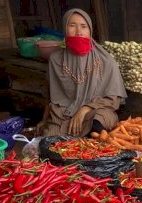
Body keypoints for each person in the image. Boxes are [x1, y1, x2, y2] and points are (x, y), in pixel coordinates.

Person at [39, 8, 127, 137]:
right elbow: (51, 96)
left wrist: (85, 109)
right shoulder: (56, 59)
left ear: (90, 30)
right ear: (65, 29)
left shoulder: (105, 59)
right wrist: (44, 120)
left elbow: (113, 99)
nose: (79, 32)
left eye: (83, 26)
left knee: (99, 123)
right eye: (72, 26)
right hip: (63, 114)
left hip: (95, 112)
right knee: (50, 140)